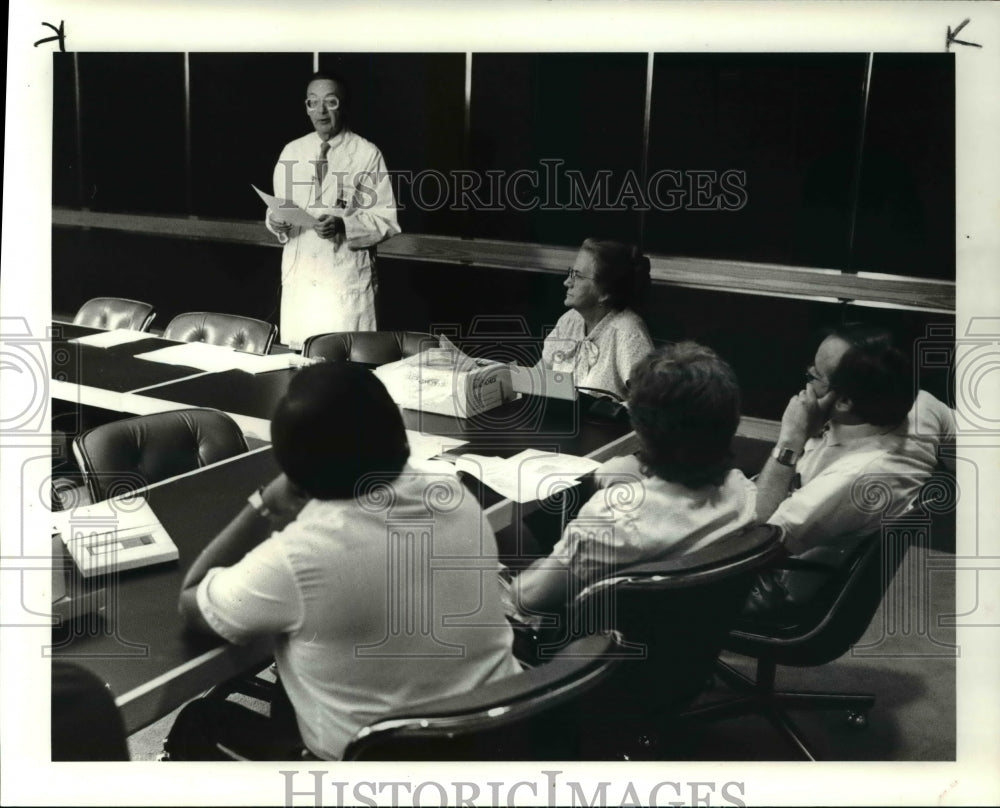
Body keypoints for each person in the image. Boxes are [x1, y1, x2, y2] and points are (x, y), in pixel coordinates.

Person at [176, 362, 520, 760]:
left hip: (374, 775)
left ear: (292, 469)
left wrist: (262, 504)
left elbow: (191, 602)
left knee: (199, 720)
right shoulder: (453, 494)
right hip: (495, 740)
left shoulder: (300, 556)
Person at [509, 342, 758, 619]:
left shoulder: (612, 519)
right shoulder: (743, 492)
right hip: (687, 640)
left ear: (640, 429)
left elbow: (528, 599)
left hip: (583, 653)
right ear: (732, 423)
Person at [749, 323, 956, 609]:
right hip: (800, 531)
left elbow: (752, 540)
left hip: (772, 586)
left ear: (845, 401)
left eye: (814, 376)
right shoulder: (922, 406)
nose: (807, 381)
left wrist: (791, 440)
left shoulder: (851, 478)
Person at [266, 72, 400, 349]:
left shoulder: (366, 153)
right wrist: (276, 222)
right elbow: (280, 207)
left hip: (344, 282)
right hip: (301, 281)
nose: (321, 111)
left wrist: (343, 225)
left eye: (331, 102)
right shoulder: (292, 152)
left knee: (346, 367)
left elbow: (386, 220)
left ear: (344, 106)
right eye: (312, 102)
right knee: (298, 362)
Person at [540, 238, 654, 401]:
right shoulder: (570, 320)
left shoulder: (628, 332)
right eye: (571, 273)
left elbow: (649, 404)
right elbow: (539, 376)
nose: (567, 282)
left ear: (605, 292)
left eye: (578, 276)